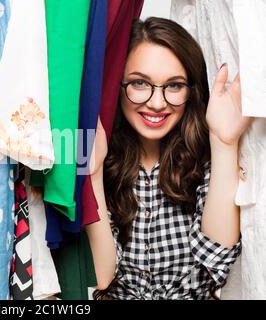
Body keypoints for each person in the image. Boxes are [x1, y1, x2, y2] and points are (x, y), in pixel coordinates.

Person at [85, 17, 250, 299]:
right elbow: (100, 277)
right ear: (117, 86)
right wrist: (93, 171)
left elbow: (218, 258)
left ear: (190, 91)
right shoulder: (101, 155)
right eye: (139, 83)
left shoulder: (202, 155)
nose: (157, 103)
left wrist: (224, 143)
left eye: (174, 86)